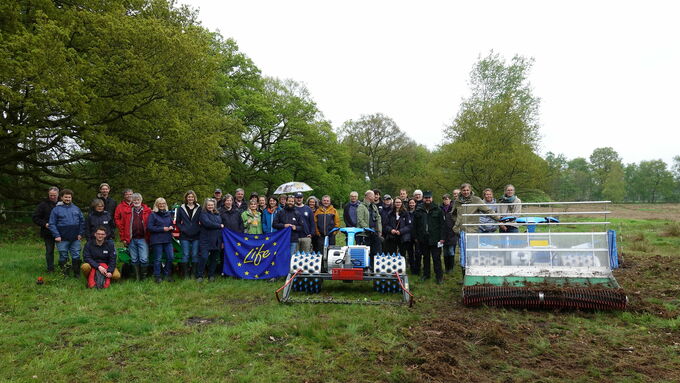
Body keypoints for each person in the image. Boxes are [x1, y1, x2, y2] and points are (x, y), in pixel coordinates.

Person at [48, 189, 85, 277]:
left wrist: (80, 233)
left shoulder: (76, 208)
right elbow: (52, 223)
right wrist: (56, 235)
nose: (68, 199)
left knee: (76, 254)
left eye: (69, 197)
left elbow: (82, 222)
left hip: (75, 237)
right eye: (66, 197)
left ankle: (77, 273)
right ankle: (65, 274)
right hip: (61, 238)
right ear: (61, 198)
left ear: (71, 198)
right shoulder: (56, 210)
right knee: (63, 255)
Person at [413, 191, 446, 284]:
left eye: (429, 198)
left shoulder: (438, 210)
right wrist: (415, 237)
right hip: (423, 239)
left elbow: (443, 225)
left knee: (436, 259)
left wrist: (442, 238)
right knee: (425, 258)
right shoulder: (418, 210)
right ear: (423, 199)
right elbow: (415, 225)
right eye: (426, 198)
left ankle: (439, 277)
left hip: (436, 239)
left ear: (432, 198)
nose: (427, 199)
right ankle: (426, 275)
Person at [122, 193, 151, 281]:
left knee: (144, 258)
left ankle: (143, 278)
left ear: (141, 201)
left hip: (143, 238)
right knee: (134, 259)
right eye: (134, 200)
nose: (136, 201)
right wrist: (123, 238)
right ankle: (137, 278)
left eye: (138, 200)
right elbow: (123, 226)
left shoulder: (147, 211)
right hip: (132, 239)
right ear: (132, 201)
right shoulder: (128, 212)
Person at [147, 198, 175, 283]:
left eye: (163, 203)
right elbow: (150, 227)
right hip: (157, 240)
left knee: (170, 257)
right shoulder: (153, 214)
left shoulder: (168, 214)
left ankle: (167, 274)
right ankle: (157, 276)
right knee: (158, 259)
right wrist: (162, 229)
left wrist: (171, 228)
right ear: (157, 205)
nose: (162, 205)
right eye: (160, 204)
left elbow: (171, 224)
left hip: (167, 239)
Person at [32, 186, 59, 272]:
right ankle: (50, 269)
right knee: (49, 251)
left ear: (58, 194)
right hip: (48, 232)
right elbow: (35, 217)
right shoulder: (43, 205)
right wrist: (45, 224)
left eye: (54, 195)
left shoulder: (62, 204)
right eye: (51, 195)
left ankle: (64, 268)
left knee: (63, 251)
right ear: (48, 194)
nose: (52, 197)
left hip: (61, 232)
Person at [176, 190, 201, 279]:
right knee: (185, 255)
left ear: (194, 198)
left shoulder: (199, 208)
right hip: (184, 236)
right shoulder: (181, 208)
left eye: (192, 197)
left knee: (195, 255)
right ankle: (185, 275)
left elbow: (202, 221)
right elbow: (178, 222)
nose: (190, 198)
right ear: (186, 198)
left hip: (196, 235)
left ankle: (193, 274)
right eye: (189, 197)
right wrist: (183, 229)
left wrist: (198, 229)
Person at [198, 198, 223, 282]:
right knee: (204, 257)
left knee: (214, 259)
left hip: (216, 240)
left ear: (214, 205)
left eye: (212, 205)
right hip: (205, 240)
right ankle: (200, 275)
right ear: (206, 205)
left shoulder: (217, 214)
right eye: (209, 205)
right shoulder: (203, 214)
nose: (210, 206)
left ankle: (211, 275)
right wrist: (219, 225)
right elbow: (207, 223)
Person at [357, 190, 382, 258]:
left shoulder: (374, 206)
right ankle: (366, 267)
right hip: (364, 234)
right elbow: (360, 220)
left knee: (376, 251)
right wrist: (368, 229)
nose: (375, 197)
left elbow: (378, 218)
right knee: (365, 253)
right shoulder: (361, 207)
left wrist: (379, 230)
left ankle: (374, 266)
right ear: (369, 196)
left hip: (374, 233)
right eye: (374, 196)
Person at [440, 193, 456, 273]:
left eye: (447, 199)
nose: (446, 201)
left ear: (450, 199)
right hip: (443, 232)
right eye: (444, 199)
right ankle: (446, 268)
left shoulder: (453, 208)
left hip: (452, 233)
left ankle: (451, 267)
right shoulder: (440, 209)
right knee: (445, 252)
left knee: (451, 251)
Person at [406, 198, 420, 274]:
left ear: (415, 204)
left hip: (417, 236)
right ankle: (412, 268)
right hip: (408, 235)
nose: (411, 204)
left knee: (417, 253)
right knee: (410, 253)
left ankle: (417, 269)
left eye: (413, 203)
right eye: (410, 203)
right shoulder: (406, 213)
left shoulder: (418, 212)